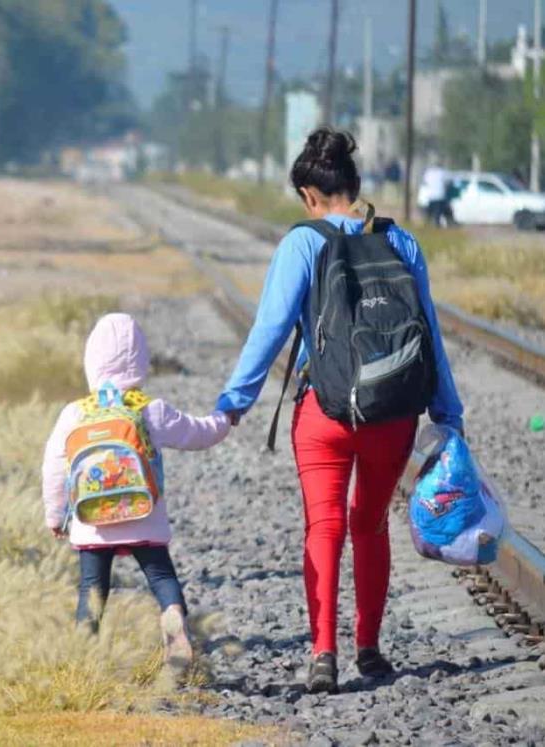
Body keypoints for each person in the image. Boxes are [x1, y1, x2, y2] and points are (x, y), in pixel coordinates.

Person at [216, 128, 463, 693]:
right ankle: (369, 648)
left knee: (324, 526)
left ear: (308, 194)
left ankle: (323, 653)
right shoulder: (402, 243)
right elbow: (430, 334)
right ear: (355, 185)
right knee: (371, 525)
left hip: (324, 414)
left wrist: (235, 401)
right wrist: (447, 410)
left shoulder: (302, 243)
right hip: (393, 413)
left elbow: (271, 329)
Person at [41, 313, 231, 668]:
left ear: (91, 362)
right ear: (141, 362)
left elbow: (53, 467)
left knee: (91, 588)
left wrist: (55, 515)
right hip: (144, 516)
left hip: (92, 522)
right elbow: (200, 433)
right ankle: (173, 616)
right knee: (161, 577)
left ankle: (83, 655)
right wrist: (226, 417)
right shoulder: (150, 411)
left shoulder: (74, 414)